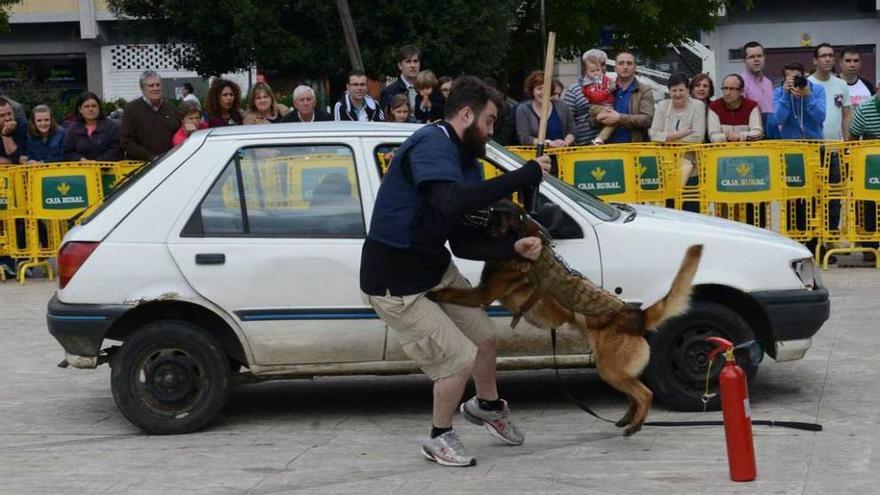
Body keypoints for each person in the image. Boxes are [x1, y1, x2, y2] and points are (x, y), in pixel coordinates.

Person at [360, 75, 551, 467]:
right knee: (458, 359)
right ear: (466, 114)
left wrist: (511, 247)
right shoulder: (432, 143)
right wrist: (522, 175)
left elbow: (463, 241)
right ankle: (439, 437)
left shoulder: (466, 161)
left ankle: (487, 406)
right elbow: (449, 202)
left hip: (434, 267)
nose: (492, 131)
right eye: (489, 122)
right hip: (395, 280)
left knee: (484, 337)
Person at [649, 74, 706, 185]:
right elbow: (653, 135)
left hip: (691, 165)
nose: (678, 94)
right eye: (674, 90)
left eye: (681, 90)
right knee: (669, 200)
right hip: (666, 165)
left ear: (688, 90)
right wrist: (679, 134)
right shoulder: (662, 105)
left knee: (690, 199)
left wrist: (667, 139)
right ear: (669, 91)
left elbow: (698, 137)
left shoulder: (698, 106)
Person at [120, 70, 181, 160]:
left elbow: (180, 132)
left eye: (158, 84)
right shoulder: (131, 109)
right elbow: (126, 141)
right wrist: (151, 158)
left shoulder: (171, 107)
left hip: (169, 162)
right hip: (142, 166)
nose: (156, 88)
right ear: (142, 88)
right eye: (151, 86)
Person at [595, 51, 654, 143]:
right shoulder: (605, 89)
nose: (625, 67)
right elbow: (591, 120)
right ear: (615, 68)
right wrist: (597, 118)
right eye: (621, 63)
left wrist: (619, 118)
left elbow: (647, 120)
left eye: (629, 63)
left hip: (635, 148)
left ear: (635, 68)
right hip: (607, 148)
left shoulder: (644, 90)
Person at [849, 91, 880, 260]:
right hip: (870, 162)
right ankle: (870, 248)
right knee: (868, 204)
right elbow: (852, 137)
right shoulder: (865, 109)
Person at [515, 70, 575, 148]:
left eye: (546, 88)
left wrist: (565, 142)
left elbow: (573, 130)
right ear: (532, 91)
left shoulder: (561, 106)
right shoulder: (523, 109)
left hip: (562, 154)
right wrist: (548, 143)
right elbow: (524, 138)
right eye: (539, 89)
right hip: (536, 156)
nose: (543, 92)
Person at [809, 43, 851, 141]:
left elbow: (846, 116)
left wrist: (847, 144)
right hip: (812, 147)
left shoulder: (841, 84)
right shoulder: (807, 84)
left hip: (836, 147)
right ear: (815, 60)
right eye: (823, 56)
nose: (828, 59)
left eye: (831, 56)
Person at [771, 63, 825, 139]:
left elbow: (821, 118)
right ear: (785, 79)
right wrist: (785, 95)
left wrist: (808, 96)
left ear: (804, 76)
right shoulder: (779, 92)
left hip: (814, 142)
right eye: (791, 79)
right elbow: (778, 120)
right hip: (790, 144)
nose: (795, 81)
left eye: (797, 77)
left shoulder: (817, 90)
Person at [62, 91, 121, 162]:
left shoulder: (111, 127)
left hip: (107, 169)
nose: (91, 109)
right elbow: (67, 152)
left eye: (94, 106)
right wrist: (80, 159)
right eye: (87, 106)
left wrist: (98, 162)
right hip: (82, 170)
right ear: (80, 109)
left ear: (99, 108)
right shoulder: (73, 129)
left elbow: (116, 149)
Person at [563, 48, 605, 145]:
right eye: (594, 64)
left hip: (612, 146)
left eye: (602, 64)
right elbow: (567, 121)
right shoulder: (573, 90)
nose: (600, 68)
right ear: (585, 69)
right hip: (584, 147)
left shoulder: (612, 85)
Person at [708, 74, 763, 142]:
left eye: (732, 89)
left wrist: (740, 136)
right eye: (725, 88)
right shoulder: (714, 106)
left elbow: (758, 133)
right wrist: (726, 137)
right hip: (722, 151)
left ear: (742, 91)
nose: (727, 93)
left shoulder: (752, 106)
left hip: (747, 150)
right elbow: (712, 136)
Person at [580, 50, 617, 145]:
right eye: (592, 71)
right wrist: (608, 90)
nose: (596, 73)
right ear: (585, 71)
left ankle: (599, 139)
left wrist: (613, 84)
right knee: (613, 118)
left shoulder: (604, 78)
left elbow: (612, 84)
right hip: (596, 107)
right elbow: (596, 97)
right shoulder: (587, 85)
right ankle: (600, 118)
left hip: (607, 106)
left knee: (614, 122)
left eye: (598, 70)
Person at [740, 41, 774, 125]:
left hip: (771, 131)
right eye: (752, 57)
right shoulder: (740, 83)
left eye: (759, 56)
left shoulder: (768, 82)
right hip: (753, 131)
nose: (756, 60)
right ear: (744, 60)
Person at [0, 97, 28, 164]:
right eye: (2, 115)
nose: (7, 118)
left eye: (9, 113)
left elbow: (18, 159)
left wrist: (5, 134)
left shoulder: (22, 126)